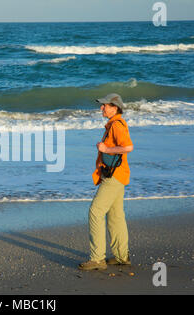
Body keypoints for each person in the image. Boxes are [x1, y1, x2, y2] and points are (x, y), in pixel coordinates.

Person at [78, 93, 134, 271]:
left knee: (95, 211)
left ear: (115, 107)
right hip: (117, 175)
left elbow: (128, 147)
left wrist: (106, 148)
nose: (101, 108)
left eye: (105, 105)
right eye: (101, 105)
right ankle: (121, 257)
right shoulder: (113, 124)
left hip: (114, 176)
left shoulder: (117, 125)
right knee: (116, 216)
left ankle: (97, 259)